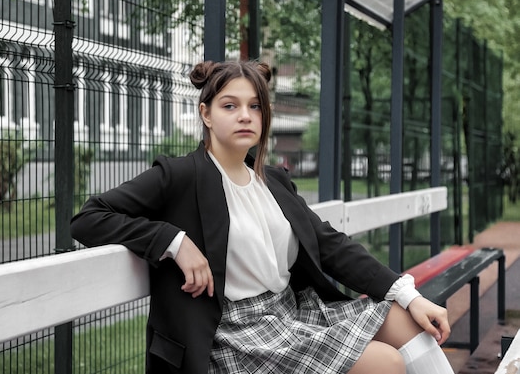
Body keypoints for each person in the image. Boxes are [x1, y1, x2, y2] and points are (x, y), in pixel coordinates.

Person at [70, 60, 455, 374]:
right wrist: (175, 242)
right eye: (230, 106)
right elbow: (89, 218)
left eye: (255, 106)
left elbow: (328, 243)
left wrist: (409, 294)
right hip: (235, 334)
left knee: (408, 319)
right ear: (205, 114)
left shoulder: (271, 180)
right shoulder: (181, 175)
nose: (245, 116)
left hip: (290, 311)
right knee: (385, 364)